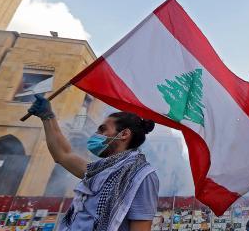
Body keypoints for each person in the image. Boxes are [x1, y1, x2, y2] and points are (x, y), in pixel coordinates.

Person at [28, 94, 159, 231]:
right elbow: (63, 155)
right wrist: (48, 117)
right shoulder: (99, 170)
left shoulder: (142, 176)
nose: (96, 134)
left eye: (102, 129)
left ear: (124, 134)